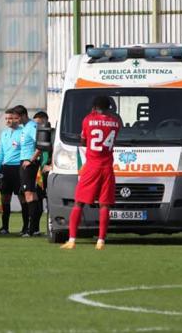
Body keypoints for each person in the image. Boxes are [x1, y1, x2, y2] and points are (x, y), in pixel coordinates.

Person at [61, 96, 121, 250]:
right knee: (105, 205)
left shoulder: (88, 119)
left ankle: (72, 240)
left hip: (92, 166)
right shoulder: (115, 122)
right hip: (107, 167)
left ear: (94, 107)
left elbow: (83, 141)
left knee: (79, 203)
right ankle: (101, 241)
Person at [0, 108, 23, 235]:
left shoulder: (23, 132)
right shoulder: (4, 133)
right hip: (5, 169)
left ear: (17, 118)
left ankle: (26, 227)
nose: (8, 121)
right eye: (6, 118)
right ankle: (5, 227)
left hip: (18, 168)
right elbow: (1, 153)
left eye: (10, 118)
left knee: (22, 198)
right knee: (5, 199)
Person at [17, 105, 38, 237]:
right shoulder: (25, 128)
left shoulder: (32, 127)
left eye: (16, 117)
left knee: (29, 195)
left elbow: (41, 144)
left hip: (28, 163)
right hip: (23, 162)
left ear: (23, 115)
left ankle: (31, 229)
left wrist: (31, 160)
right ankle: (33, 228)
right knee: (28, 195)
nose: (15, 120)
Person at [29, 111, 50, 236]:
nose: (37, 127)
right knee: (38, 202)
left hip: (49, 173)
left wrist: (51, 165)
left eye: (38, 123)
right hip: (39, 173)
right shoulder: (37, 136)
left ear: (45, 121)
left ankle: (51, 228)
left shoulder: (51, 134)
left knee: (49, 202)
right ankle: (35, 228)